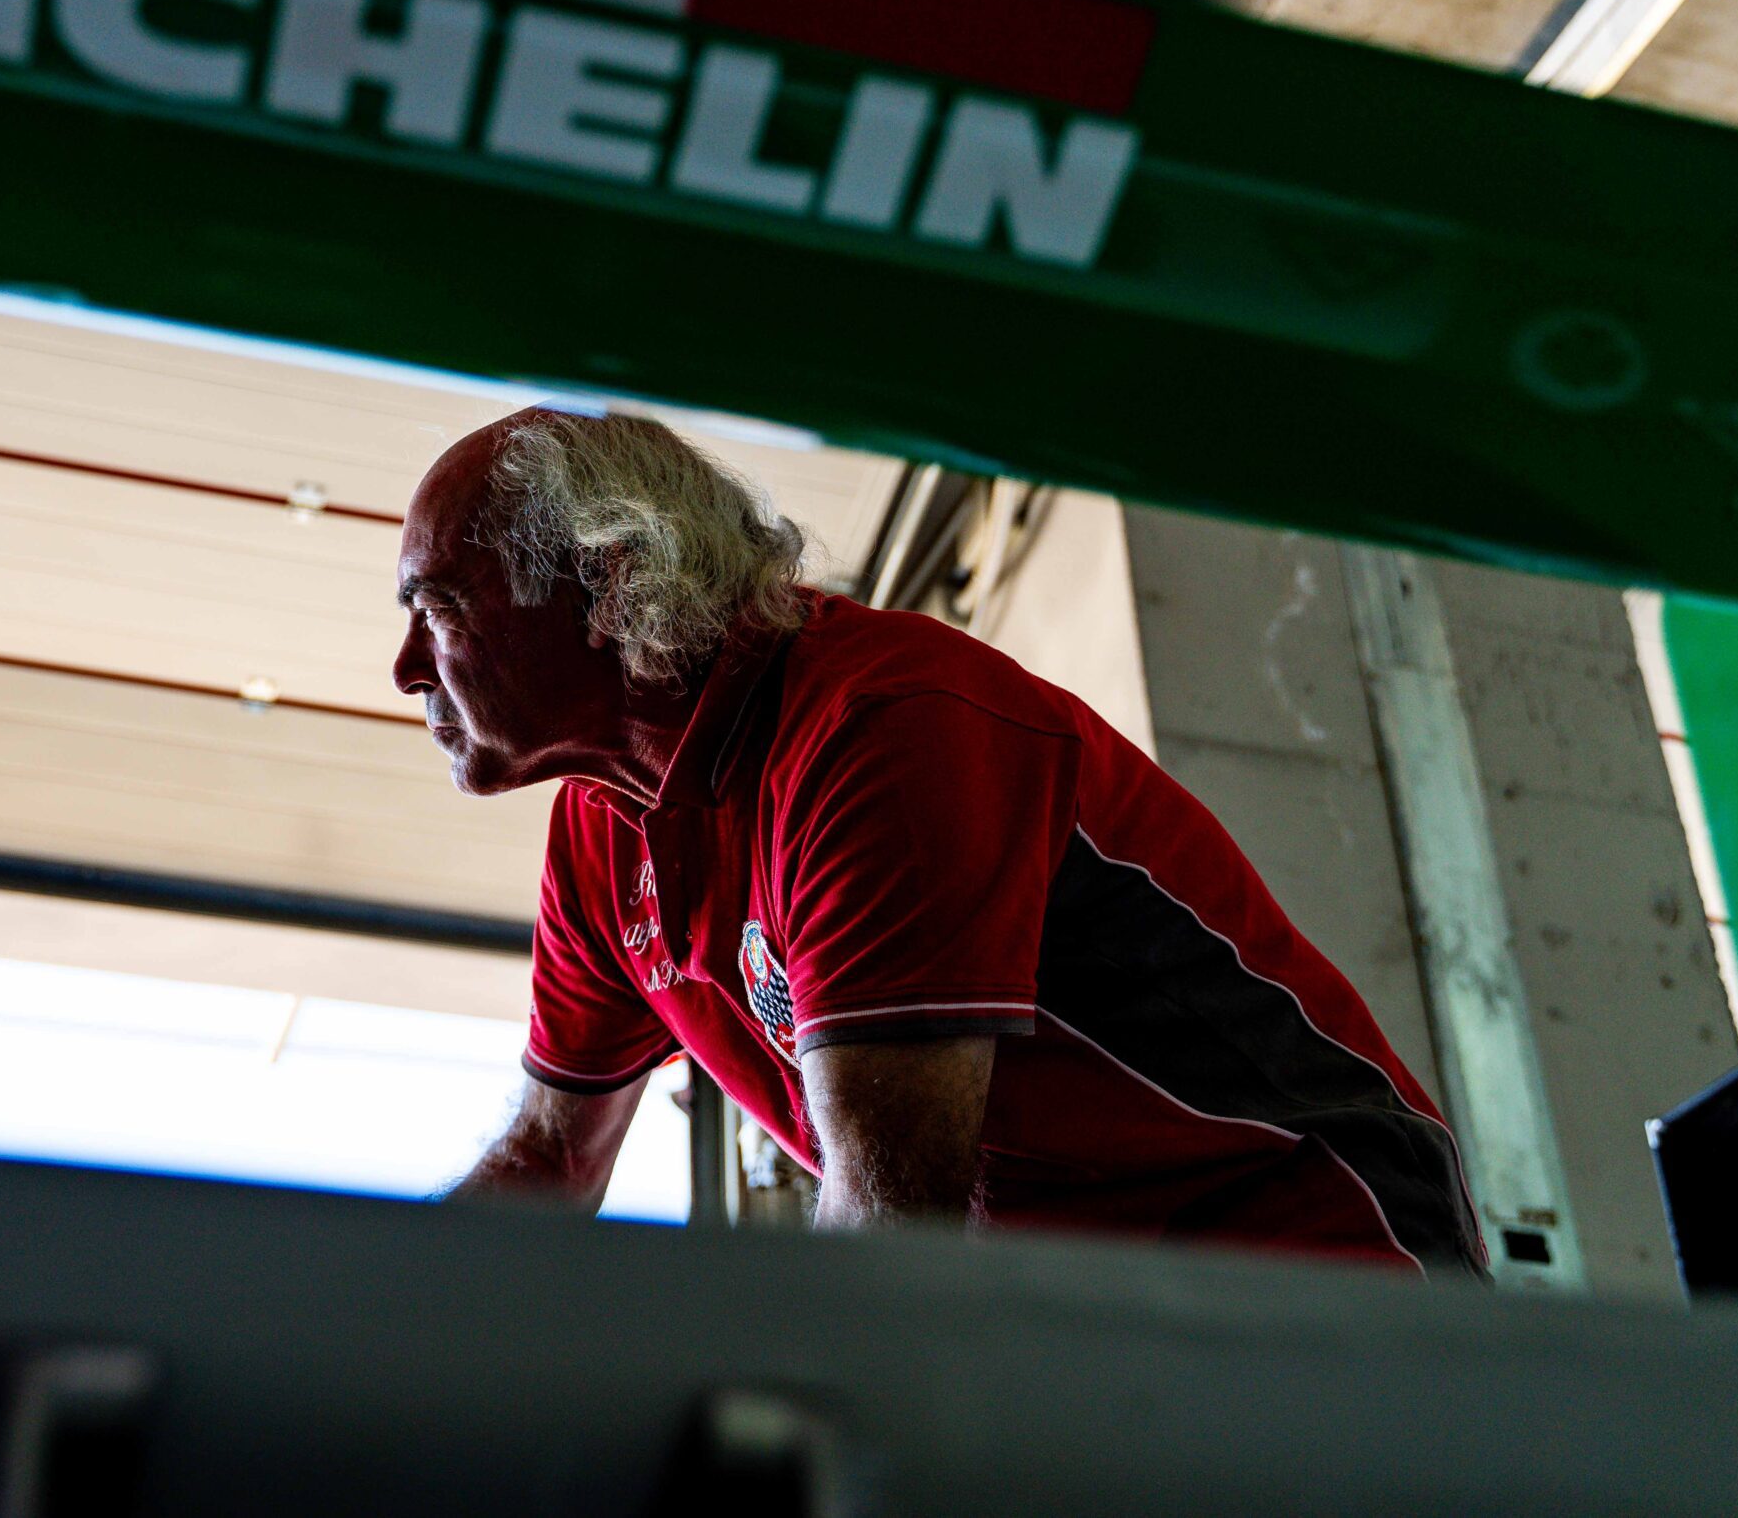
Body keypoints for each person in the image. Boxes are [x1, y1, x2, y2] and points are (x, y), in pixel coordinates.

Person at [395, 408, 1487, 1276]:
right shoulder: (602, 830)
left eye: (438, 609)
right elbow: (547, 1160)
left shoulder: (882, 729)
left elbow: (890, 1226)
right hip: (1089, 1322)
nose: (406, 667)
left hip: (1302, 1262)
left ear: (613, 580)